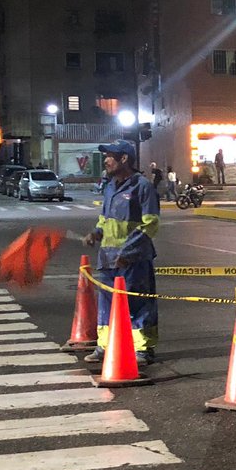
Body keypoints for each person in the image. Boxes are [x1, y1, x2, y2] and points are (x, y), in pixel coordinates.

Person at [82, 139, 160, 367]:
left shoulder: (142, 186)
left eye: (110, 156)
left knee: (138, 303)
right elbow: (106, 220)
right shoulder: (110, 186)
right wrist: (96, 233)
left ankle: (143, 349)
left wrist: (129, 251)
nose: (105, 160)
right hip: (108, 258)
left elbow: (151, 224)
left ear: (124, 158)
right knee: (106, 303)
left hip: (133, 259)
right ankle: (104, 345)